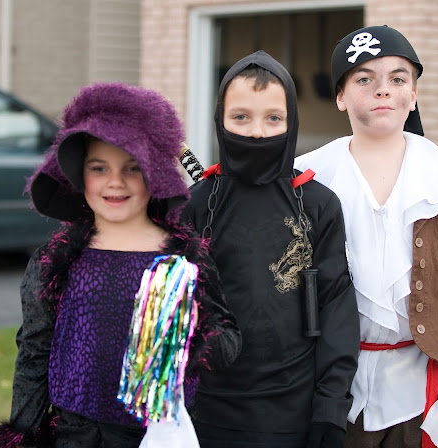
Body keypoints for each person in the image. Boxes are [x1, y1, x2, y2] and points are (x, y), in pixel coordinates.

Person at [0, 82, 241, 448]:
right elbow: (34, 352)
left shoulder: (182, 258)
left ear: (154, 175)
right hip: (73, 436)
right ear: (80, 175)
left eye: (131, 168)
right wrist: (23, 435)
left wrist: (187, 328)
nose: (114, 182)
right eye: (99, 168)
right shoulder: (57, 259)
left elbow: (228, 340)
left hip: (156, 437)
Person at [294, 25, 438, 448]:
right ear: (340, 96)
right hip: (327, 387)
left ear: (414, 94)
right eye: (364, 79)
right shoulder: (306, 179)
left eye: (397, 79)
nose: (382, 90)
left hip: (423, 391)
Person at [181, 50, 360, 448]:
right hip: (204, 411)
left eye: (273, 118)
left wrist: (330, 408)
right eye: (240, 117)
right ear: (220, 121)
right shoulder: (194, 205)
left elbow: (336, 310)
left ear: (291, 121)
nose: (258, 132)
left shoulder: (317, 204)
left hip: (292, 412)